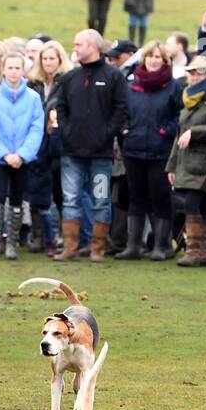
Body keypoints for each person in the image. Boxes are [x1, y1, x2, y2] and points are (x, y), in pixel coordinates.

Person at [51, 30, 128, 261]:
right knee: (71, 199)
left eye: (78, 44)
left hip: (101, 155)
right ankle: (70, 248)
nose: (74, 47)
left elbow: (122, 109)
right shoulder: (70, 77)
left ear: (93, 47)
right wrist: (65, 130)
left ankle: (97, 249)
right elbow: (61, 107)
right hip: (71, 153)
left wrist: (106, 134)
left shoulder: (114, 77)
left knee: (101, 200)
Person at [0, 51, 44, 260]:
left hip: (22, 159)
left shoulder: (33, 98)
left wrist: (22, 154)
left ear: (23, 70)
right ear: (3, 70)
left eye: (18, 68)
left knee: (17, 201)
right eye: (10, 68)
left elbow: (36, 128)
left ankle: (12, 244)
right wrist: (4, 154)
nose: (14, 72)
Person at [119, 41, 180, 260]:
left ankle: (161, 245)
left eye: (158, 57)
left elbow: (178, 116)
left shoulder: (173, 86)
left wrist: (166, 131)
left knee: (160, 197)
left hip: (160, 151)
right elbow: (122, 109)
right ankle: (133, 245)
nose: (154, 61)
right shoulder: (131, 85)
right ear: (144, 59)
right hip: (133, 149)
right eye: (150, 56)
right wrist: (125, 128)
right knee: (136, 196)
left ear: (165, 61)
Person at [166, 55, 206, 267]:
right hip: (186, 162)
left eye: (198, 73)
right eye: (191, 73)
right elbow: (179, 135)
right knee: (199, 205)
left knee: (193, 203)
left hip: (204, 162)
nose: (194, 77)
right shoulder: (188, 100)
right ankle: (203, 252)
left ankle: (196, 251)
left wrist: (195, 132)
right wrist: (171, 165)